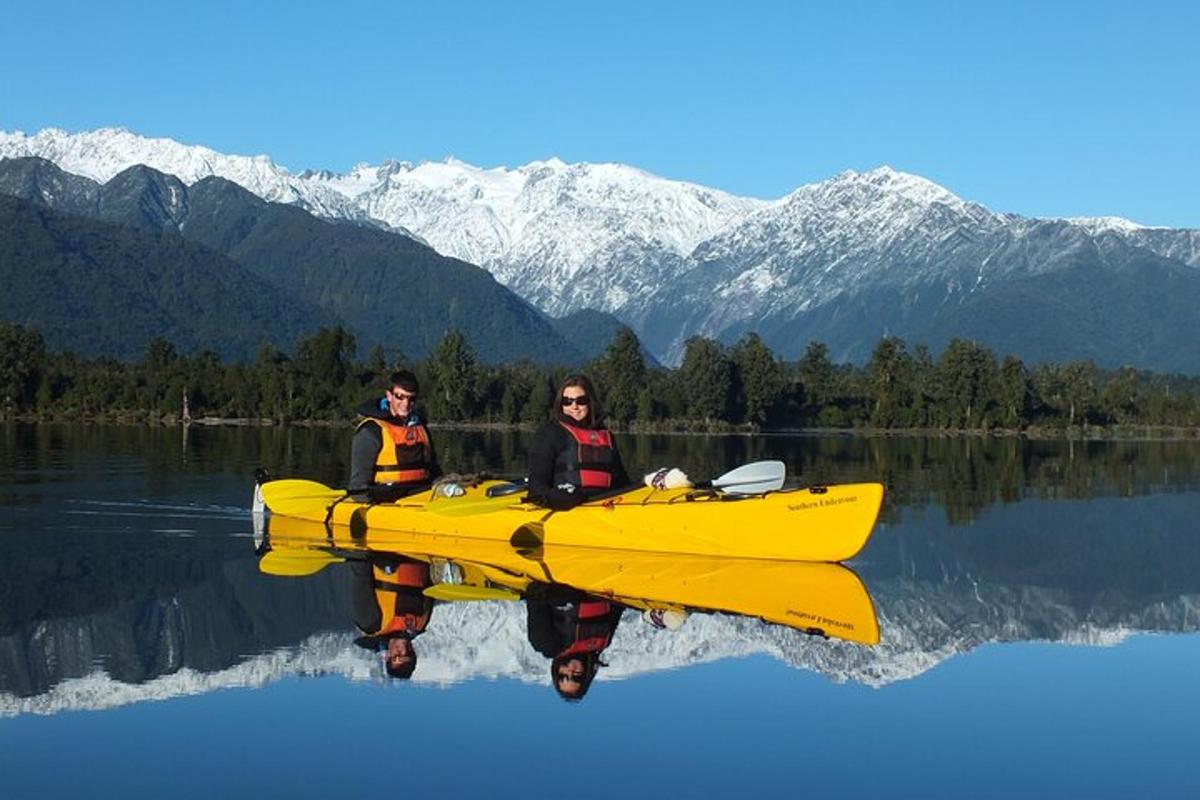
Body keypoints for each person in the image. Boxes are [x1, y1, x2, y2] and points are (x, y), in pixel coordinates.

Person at [526, 374, 631, 510]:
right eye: (567, 401)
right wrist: (553, 498)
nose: (574, 406)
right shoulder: (551, 433)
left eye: (581, 401)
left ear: (590, 402)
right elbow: (536, 485)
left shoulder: (605, 435)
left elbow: (621, 481)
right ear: (561, 404)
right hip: (567, 507)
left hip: (603, 504)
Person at [348, 370, 446, 503]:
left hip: (421, 496)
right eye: (400, 396)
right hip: (385, 499)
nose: (406, 404)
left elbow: (434, 471)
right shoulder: (371, 430)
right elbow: (358, 487)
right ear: (389, 396)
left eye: (411, 399)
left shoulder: (421, 427)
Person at [524, 581, 624, 701]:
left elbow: (535, 593)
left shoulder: (546, 643)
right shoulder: (603, 643)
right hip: (604, 581)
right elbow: (619, 605)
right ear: (585, 676)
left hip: (565, 578)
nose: (570, 673)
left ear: (556, 672)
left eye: (563, 676)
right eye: (576, 678)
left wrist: (569, 596)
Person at [350, 553, 434, 680]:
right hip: (420, 552)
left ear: (388, 656)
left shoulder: (371, 623)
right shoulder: (421, 623)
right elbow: (431, 582)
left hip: (386, 550)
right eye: (409, 653)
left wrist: (378, 557)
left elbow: (359, 574)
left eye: (398, 655)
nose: (404, 649)